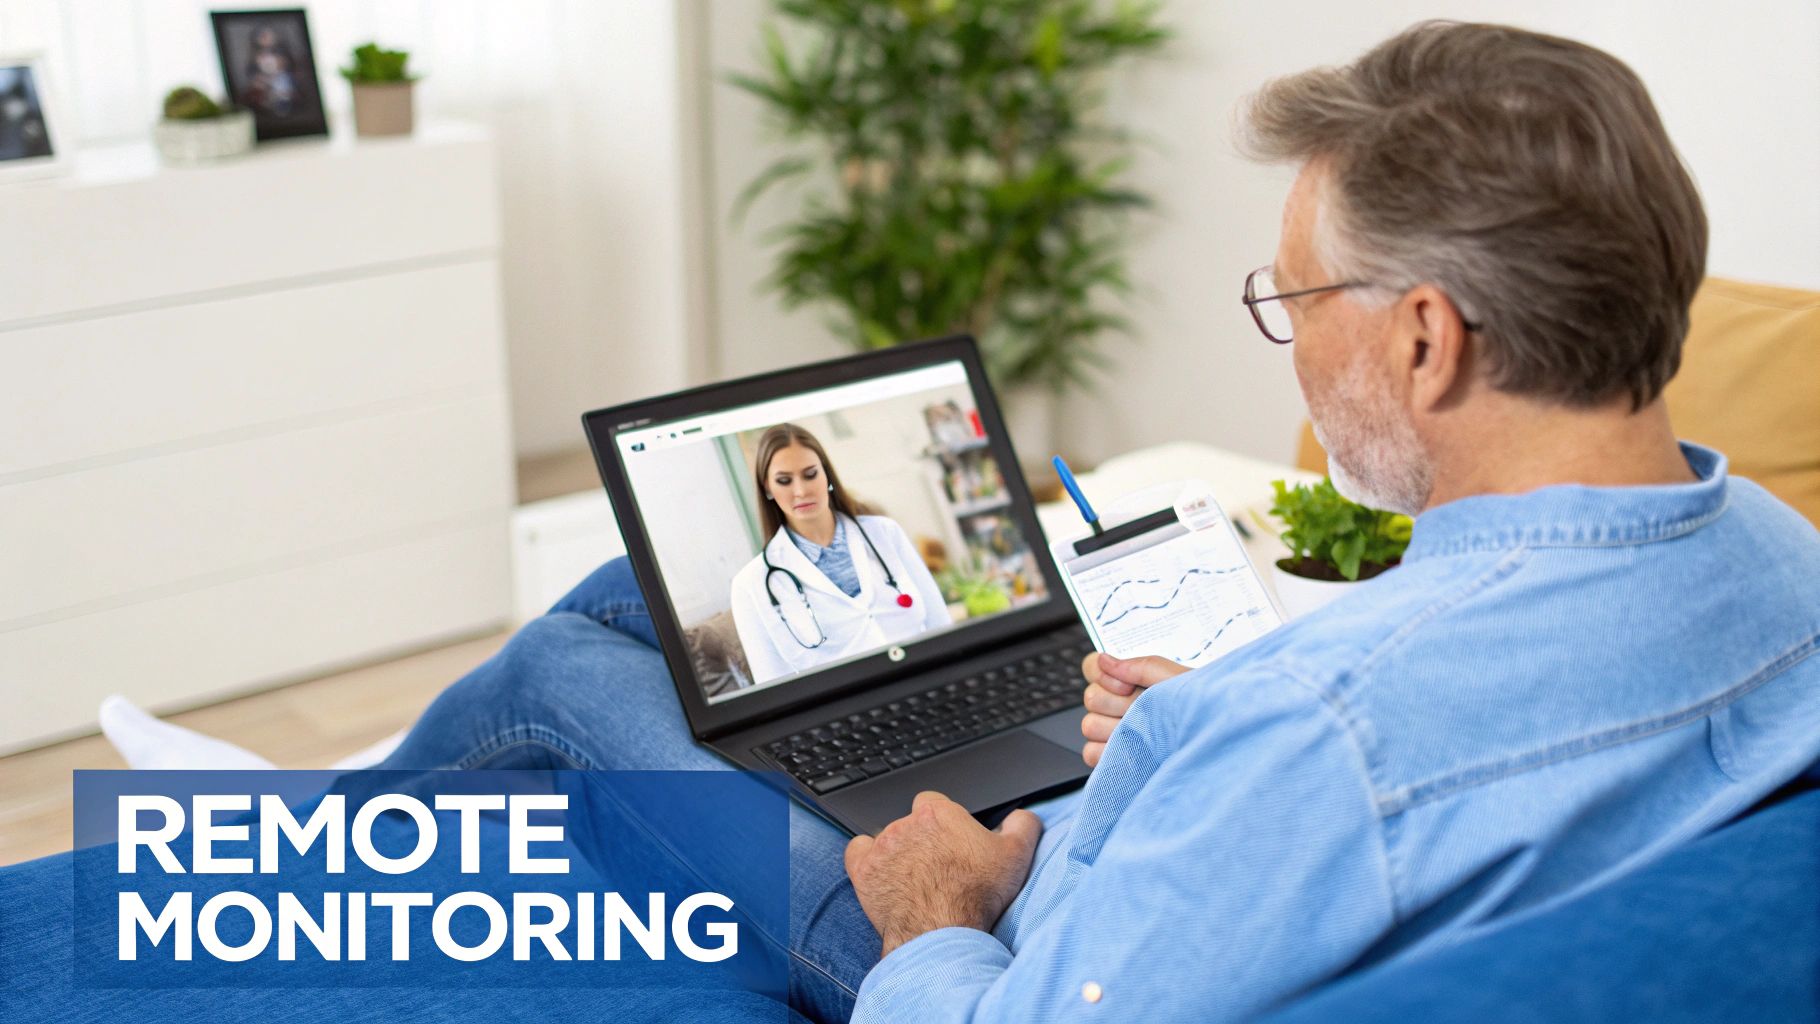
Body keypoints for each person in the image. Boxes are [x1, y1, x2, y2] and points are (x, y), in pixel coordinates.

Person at [6, 19, 1819, 1024]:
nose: (1295, 344)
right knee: (660, 613)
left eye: (1296, 302)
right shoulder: (1786, 574)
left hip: (957, 939)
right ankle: (316, 813)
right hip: (1141, 827)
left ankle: (271, 837)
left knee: (580, 658)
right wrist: (1182, 729)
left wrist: (944, 902)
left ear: (1426, 335)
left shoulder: (1331, 733)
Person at [728, 423, 951, 685]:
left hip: (926, 684)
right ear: (767, 488)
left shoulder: (885, 534)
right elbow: (773, 687)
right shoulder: (750, 585)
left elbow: (941, 625)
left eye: (810, 474)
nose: (801, 491)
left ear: (827, 475)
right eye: (784, 481)